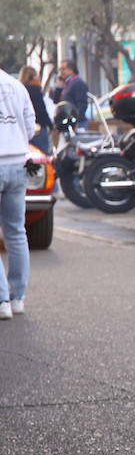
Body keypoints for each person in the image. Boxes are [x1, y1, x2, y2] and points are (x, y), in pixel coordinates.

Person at [0, 65, 37, 319]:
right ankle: (18, 298)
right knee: (16, 232)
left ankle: (2, 300)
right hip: (17, 164)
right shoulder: (17, 86)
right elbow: (31, 126)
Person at [18, 66, 51, 154]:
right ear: (32, 77)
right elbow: (41, 110)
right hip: (38, 128)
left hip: (23, 128)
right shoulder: (35, 90)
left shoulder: (19, 90)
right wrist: (50, 125)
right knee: (41, 154)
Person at [55, 59, 89, 128]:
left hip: (77, 123)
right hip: (66, 122)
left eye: (63, 69)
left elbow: (81, 104)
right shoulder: (65, 83)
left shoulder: (78, 83)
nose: (61, 72)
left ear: (71, 70)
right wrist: (58, 87)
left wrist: (76, 121)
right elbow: (55, 101)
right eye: (60, 69)